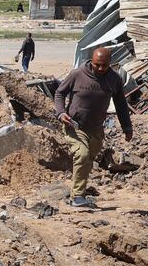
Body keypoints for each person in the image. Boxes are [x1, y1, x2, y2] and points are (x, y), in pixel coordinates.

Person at [53, 47, 133, 208]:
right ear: (92, 61)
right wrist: (61, 113)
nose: (101, 68)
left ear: (110, 63)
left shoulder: (114, 79)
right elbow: (60, 93)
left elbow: (121, 104)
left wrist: (127, 126)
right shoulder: (77, 75)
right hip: (75, 126)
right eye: (98, 65)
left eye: (105, 65)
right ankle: (77, 196)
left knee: (88, 159)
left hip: (96, 129)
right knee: (82, 155)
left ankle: (78, 187)